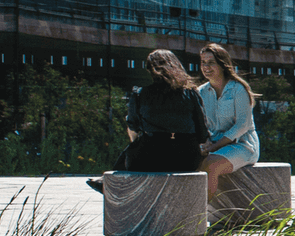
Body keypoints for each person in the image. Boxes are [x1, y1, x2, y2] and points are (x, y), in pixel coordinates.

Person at [87, 50, 208, 191]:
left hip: (150, 158)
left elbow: (133, 129)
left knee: (137, 144)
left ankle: (107, 182)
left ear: (150, 71)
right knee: (142, 144)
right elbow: (203, 133)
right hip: (187, 158)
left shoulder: (140, 94)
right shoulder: (192, 93)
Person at [195, 42, 260, 198]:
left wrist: (214, 147)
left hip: (243, 146)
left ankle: (200, 218)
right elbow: (198, 124)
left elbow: (242, 126)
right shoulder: (200, 92)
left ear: (222, 65)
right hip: (214, 145)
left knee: (210, 164)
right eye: (203, 63)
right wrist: (203, 144)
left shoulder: (238, 89)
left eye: (211, 62)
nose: (206, 67)